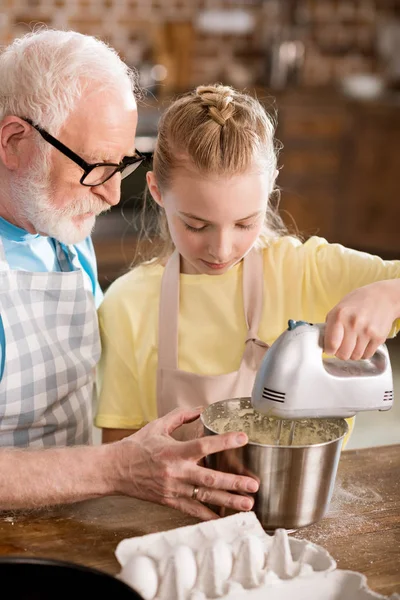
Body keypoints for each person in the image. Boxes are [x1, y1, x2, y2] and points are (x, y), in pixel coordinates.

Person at [0, 30, 260, 520]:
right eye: (97, 168)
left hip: (66, 524)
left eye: (123, 165)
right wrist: (116, 470)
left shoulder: (58, 230)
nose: (114, 195)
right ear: (15, 142)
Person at [95, 83, 400, 451]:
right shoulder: (128, 304)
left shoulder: (304, 271)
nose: (222, 249)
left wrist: (389, 293)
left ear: (270, 186)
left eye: (244, 223)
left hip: (299, 500)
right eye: (196, 225)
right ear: (157, 190)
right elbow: (116, 450)